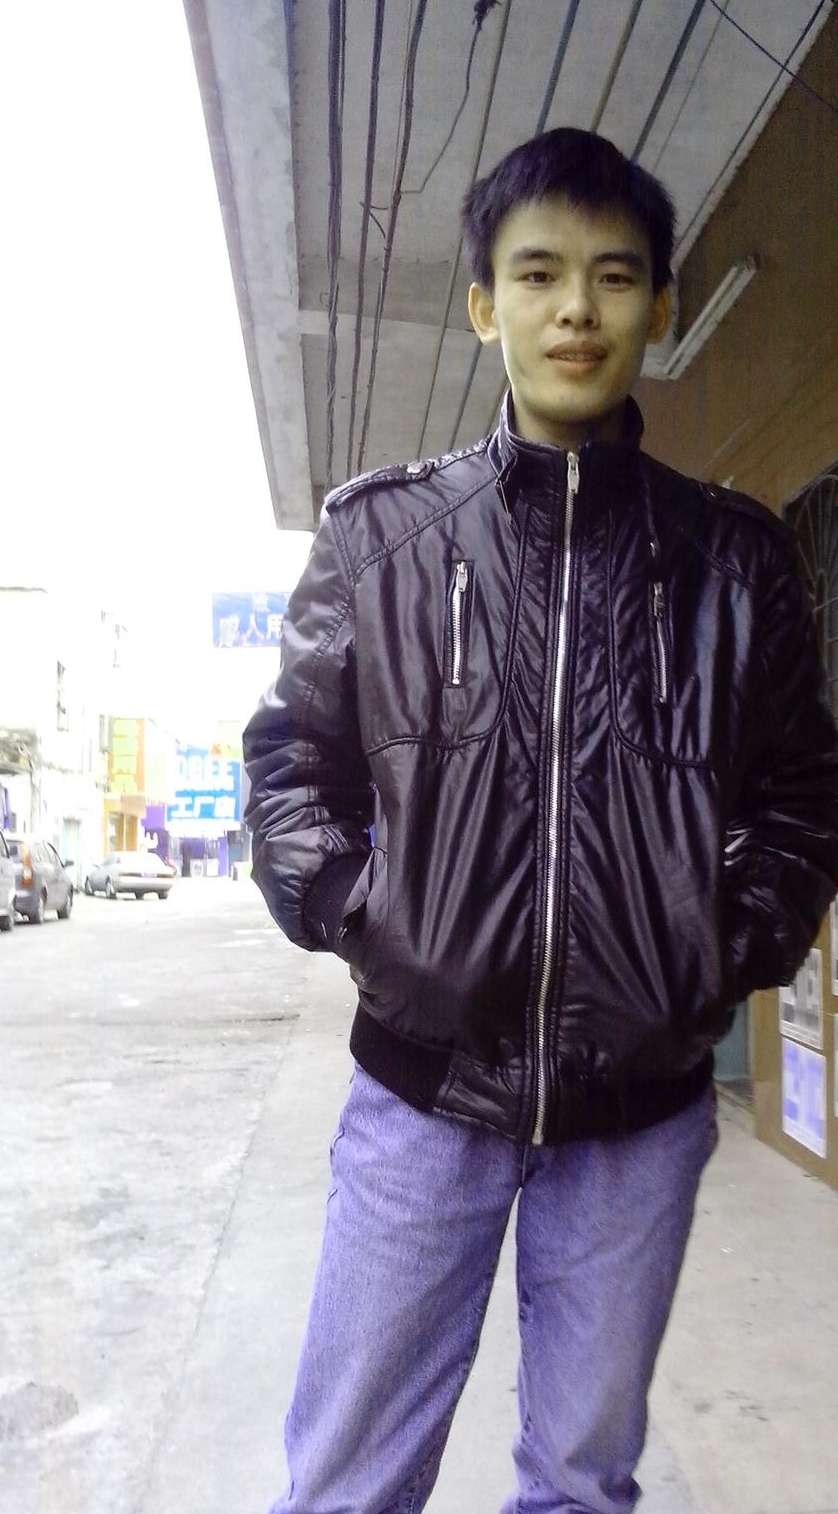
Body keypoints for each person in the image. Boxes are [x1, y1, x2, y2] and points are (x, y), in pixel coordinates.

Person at [243, 128, 838, 1514]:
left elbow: (804, 794)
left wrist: (718, 948)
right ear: (482, 304)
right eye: (538, 274)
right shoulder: (380, 539)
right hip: (422, 1097)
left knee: (581, 1480)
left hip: (639, 1114)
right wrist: (365, 921)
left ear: (662, 308)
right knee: (345, 1482)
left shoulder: (735, 562)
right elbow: (291, 761)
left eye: (614, 277)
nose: (577, 309)